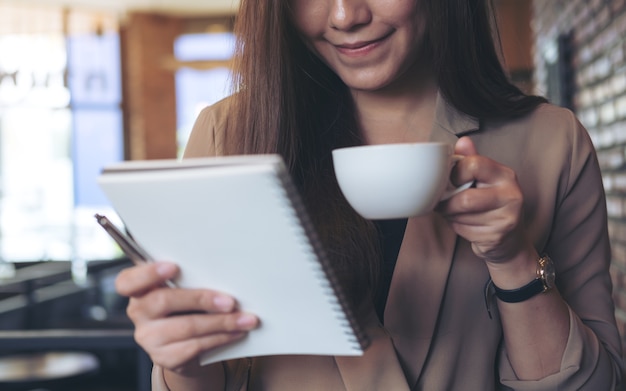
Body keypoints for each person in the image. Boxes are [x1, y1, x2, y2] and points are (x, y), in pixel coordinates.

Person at [114, 0, 624, 389]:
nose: (344, 16)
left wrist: (513, 259)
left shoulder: (550, 141)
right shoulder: (228, 136)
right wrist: (179, 357)